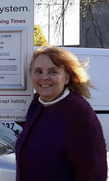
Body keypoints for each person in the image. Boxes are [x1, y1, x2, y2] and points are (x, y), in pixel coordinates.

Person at [15, 46, 107, 181]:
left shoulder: (78, 112)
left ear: (67, 78)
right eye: (38, 71)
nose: (44, 77)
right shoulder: (36, 104)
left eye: (53, 72)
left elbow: (93, 171)